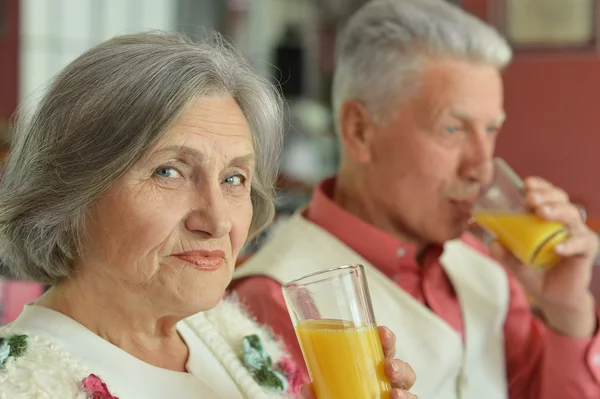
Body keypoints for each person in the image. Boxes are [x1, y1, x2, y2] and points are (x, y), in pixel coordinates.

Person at [0, 32, 417, 398]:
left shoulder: (235, 338)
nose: (217, 222)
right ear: (70, 191)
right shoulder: (18, 383)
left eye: (234, 178)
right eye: (169, 172)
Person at [230, 1, 600, 398]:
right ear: (359, 130)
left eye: (491, 129)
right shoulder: (270, 300)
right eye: (453, 129)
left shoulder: (486, 266)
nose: (483, 167)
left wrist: (567, 310)